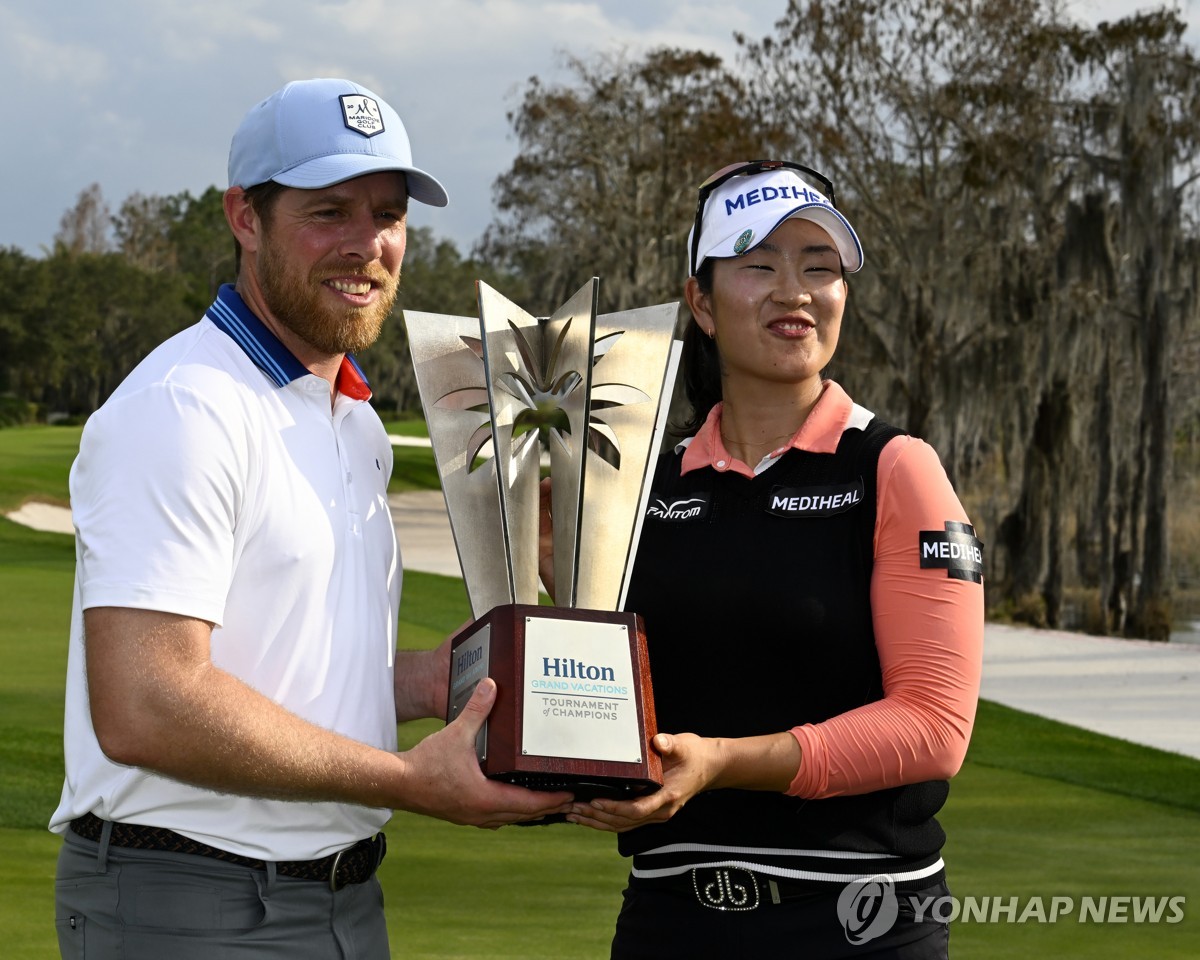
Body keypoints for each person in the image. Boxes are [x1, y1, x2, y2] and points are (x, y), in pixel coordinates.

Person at [50, 77, 570, 959]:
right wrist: (407, 780)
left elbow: (308, 673)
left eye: (387, 215)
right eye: (328, 212)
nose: (366, 246)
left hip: (341, 902)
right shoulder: (185, 406)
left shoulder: (353, 422)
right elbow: (146, 702)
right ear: (244, 218)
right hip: (186, 904)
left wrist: (465, 677)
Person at [564, 160, 985, 958]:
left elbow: (933, 729)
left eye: (818, 267)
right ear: (701, 302)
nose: (794, 290)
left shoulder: (894, 469)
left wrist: (723, 763)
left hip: (856, 922)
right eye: (759, 265)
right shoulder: (641, 485)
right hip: (669, 917)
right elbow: (606, 695)